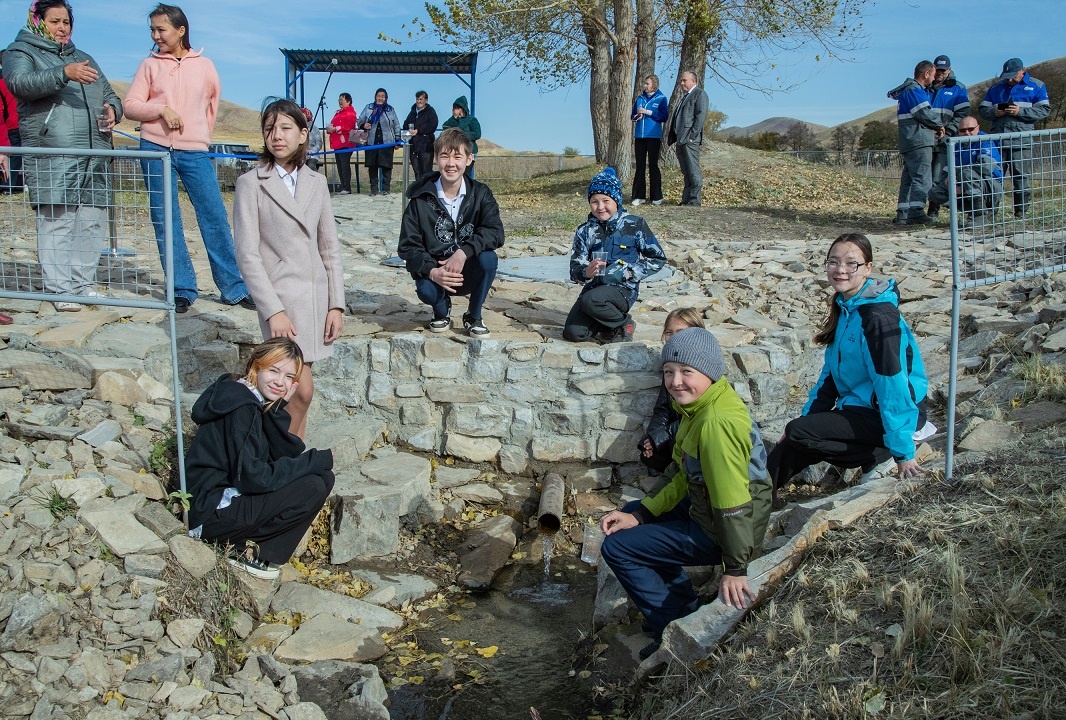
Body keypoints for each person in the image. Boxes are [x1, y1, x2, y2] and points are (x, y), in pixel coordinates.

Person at [600, 328, 771, 660]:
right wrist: (641, 514)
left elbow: (732, 504)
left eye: (686, 372)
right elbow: (681, 473)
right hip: (708, 508)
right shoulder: (701, 407)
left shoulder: (714, 425)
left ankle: (673, 628)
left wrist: (735, 568)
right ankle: (684, 604)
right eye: (668, 372)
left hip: (727, 529)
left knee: (619, 547)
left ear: (709, 371)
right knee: (635, 513)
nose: (675, 381)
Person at [766, 233, 931, 495]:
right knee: (793, 438)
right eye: (833, 262)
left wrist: (903, 453)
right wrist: (807, 419)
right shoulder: (845, 307)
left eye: (851, 263)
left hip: (894, 414)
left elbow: (892, 385)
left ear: (868, 268)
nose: (840, 270)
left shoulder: (877, 317)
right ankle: (753, 498)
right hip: (858, 408)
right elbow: (829, 377)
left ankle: (877, 456)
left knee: (800, 432)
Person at [124, 4, 254, 314]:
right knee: (166, 220)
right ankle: (181, 287)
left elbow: (211, 108)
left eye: (162, 30)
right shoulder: (149, 65)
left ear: (181, 30)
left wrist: (198, 138)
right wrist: (160, 110)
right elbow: (130, 105)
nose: (156, 36)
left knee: (214, 216)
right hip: (154, 148)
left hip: (194, 150)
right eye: (152, 30)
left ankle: (233, 288)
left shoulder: (205, 65)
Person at [233, 99, 345, 440]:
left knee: (297, 391)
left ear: (302, 134)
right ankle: (283, 457)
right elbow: (247, 254)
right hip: (281, 300)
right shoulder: (251, 183)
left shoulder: (317, 182)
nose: (276, 136)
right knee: (298, 390)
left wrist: (336, 304)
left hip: (315, 298)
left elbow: (329, 248)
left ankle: (288, 459)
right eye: (269, 129)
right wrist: (273, 310)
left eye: (285, 128)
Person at [4, 0, 122, 312]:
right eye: (55, 21)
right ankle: (59, 288)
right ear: (38, 20)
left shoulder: (83, 57)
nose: (62, 28)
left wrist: (114, 110)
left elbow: (109, 93)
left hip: (94, 153)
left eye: (66, 22)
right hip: (52, 151)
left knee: (91, 221)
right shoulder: (20, 51)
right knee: (57, 221)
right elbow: (19, 84)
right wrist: (62, 73)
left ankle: (82, 285)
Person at [184, 337, 335, 580]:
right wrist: (314, 460)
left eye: (288, 377)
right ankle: (240, 548)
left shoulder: (251, 400)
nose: (280, 381)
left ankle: (262, 553)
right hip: (208, 513)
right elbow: (255, 478)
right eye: (274, 371)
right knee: (313, 484)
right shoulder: (241, 408)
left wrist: (279, 406)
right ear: (256, 366)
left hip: (219, 503)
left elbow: (279, 453)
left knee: (323, 478)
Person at [398, 127, 503, 337]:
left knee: (489, 258)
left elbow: (495, 231)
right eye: (445, 156)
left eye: (457, 156)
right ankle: (441, 310)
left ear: (469, 158)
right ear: (436, 158)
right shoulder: (419, 200)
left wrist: (463, 252)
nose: (451, 163)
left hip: (467, 270)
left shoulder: (481, 194)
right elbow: (408, 246)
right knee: (426, 290)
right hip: (437, 272)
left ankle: (473, 316)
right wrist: (432, 271)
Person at [563, 167, 666, 343]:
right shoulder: (584, 230)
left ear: (616, 200)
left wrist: (629, 272)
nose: (600, 207)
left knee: (591, 300)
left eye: (606, 200)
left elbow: (657, 258)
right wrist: (586, 272)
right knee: (573, 333)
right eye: (594, 201)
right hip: (593, 290)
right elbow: (574, 269)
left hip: (622, 290)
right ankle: (609, 325)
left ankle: (624, 322)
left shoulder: (635, 224)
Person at [978, 58, 1051, 218]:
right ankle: (991, 212)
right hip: (998, 141)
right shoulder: (996, 88)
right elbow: (983, 110)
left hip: (1021, 141)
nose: (1009, 79)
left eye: (1013, 76)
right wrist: (994, 112)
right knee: (995, 176)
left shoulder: (1036, 86)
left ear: (1022, 70)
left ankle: (1021, 213)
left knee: (1021, 177)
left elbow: (1044, 110)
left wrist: (1020, 112)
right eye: (1007, 76)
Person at [638, 308, 705, 472]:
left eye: (681, 332)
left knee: (678, 444)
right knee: (651, 455)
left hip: (696, 434)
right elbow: (663, 408)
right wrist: (652, 437)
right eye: (669, 332)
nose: (674, 337)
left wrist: (663, 435)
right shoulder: (671, 364)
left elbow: (700, 416)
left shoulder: (704, 367)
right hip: (676, 431)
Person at [888, 61, 942, 225]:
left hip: (910, 140)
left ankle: (903, 213)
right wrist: (939, 125)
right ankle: (916, 212)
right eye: (933, 75)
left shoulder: (908, 90)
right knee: (922, 177)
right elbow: (924, 113)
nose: (934, 79)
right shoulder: (914, 90)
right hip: (918, 139)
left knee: (909, 179)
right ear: (926, 74)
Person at [928, 117, 1003, 226]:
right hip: (966, 182)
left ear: (978, 128)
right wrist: (953, 184)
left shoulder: (986, 141)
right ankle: (978, 212)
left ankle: (980, 216)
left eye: (970, 129)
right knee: (935, 193)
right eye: (962, 130)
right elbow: (946, 171)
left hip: (990, 185)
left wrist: (957, 176)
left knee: (967, 174)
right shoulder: (956, 145)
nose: (967, 133)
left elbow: (985, 167)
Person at [926, 55, 969, 219]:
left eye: (944, 70)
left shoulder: (959, 89)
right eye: (938, 70)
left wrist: (948, 131)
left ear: (949, 70)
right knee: (924, 176)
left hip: (945, 140)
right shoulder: (925, 87)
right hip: (926, 138)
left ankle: (933, 211)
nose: (940, 73)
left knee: (937, 175)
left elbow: (962, 114)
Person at [667, 71, 708, 206]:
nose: (682, 83)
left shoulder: (699, 94)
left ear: (693, 81)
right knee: (686, 170)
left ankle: (694, 200)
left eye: (684, 80)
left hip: (690, 139)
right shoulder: (685, 97)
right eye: (681, 81)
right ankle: (686, 199)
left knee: (693, 169)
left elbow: (700, 116)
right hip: (680, 139)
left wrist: (692, 135)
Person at [631, 74, 668, 207]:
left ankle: (656, 196)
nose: (645, 86)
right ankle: (639, 196)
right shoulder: (639, 98)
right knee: (640, 166)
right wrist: (636, 116)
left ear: (654, 84)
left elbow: (664, 116)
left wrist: (649, 112)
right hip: (639, 137)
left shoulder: (662, 98)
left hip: (653, 136)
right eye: (644, 83)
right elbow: (632, 114)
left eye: (647, 84)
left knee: (653, 165)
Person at [358, 88, 400, 196]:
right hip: (372, 142)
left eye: (383, 96)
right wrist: (364, 125)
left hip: (387, 142)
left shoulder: (390, 110)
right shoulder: (369, 108)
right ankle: (374, 189)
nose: (380, 98)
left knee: (386, 166)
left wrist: (397, 139)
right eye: (379, 96)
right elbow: (359, 121)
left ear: (386, 98)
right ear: (375, 97)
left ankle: (386, 189)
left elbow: (396, 125)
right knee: (372, 167)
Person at [0, 52, 25, 195]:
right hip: (19, 123)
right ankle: (9, 187)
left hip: (9, 125)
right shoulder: (18, 79)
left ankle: (8, 187)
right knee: (16, 157)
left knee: (12, 157)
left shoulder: (3, 81)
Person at [325, 92, 356, 194]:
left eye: (342, 99)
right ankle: (343, 186)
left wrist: (335, 129)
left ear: (348, 101)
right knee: (339, 165)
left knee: (344, 165)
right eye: (339, 100)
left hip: (345, 143)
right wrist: (329, 128)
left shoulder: (350, 113)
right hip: (337, 144)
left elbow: (349, 127)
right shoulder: (338, 113)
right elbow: (332, 124)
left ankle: (347, 187)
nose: (340, 102)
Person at [403, 90, 438, 179]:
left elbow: (433, 125)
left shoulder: (431, 112)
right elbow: (405, 124)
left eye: (421, 99)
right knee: (417, 171)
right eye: (417, 99)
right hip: (414, 146)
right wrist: (409, 130)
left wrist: (419, 130)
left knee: (427, 171)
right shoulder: (412, 112)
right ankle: (419, 191)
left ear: (426, 100)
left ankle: (428, 190)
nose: (419, 101)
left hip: (426, 146)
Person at [441, 95, 481, 170]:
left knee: (466, 173)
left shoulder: (471, 120)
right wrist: (454, 118)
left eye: (458, 108)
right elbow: (445, 127)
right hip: (455, 150)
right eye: (454, 108)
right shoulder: (452, 120)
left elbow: (477, 134)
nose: (456, 110)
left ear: (463, 108)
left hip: (469, 150)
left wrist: (461, 135)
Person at [301, 107, 321, 172]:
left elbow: (319, 144)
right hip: (300, 154)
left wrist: (311, 151)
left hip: (313, 155)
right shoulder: (297, 128)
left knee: (311, 166)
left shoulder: (315, 129)